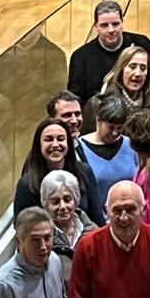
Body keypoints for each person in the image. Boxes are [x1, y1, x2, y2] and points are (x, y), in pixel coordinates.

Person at [67, 0, 150, 106]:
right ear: (95, 26)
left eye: (115, 24)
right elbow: (76, 99)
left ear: (122, 22)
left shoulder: (142, 44)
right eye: (104, 25)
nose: (111, 30)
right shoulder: (81, 57)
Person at [45, 91, 104, 223]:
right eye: (67, 115)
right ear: (52, 120)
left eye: (77, 114)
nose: (74, 120)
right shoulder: (38, 161)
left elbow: (94, 209)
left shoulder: (80, 148)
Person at [14, 118, 91, 218]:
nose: (55, 144)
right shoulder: (26, 184)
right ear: (39, 145)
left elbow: (96, 216)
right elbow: (22, 227)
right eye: (48, 139)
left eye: (61, 139)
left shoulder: (84, 171)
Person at [77, 93, 139, 212]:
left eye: (119, 128)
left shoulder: (130, 144)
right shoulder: (80, 148)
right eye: (111, 127)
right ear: (98, 120)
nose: (115, 133)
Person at [82, 44, 150, 133]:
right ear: (121, 69)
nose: (138, 73)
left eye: (143, 68)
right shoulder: (98, 103)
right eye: (132, 67)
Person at [40, 169, 96, 274]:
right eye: (55, 202)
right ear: (46, 205)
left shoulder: (94, 232)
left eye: (67, 199)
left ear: (75, 200)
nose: (62, 207)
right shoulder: (41, 240)